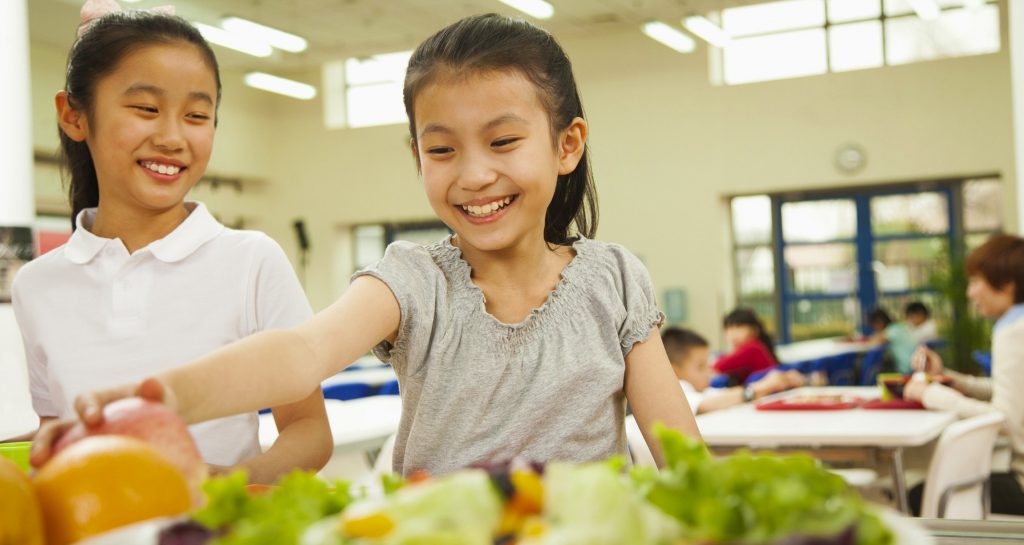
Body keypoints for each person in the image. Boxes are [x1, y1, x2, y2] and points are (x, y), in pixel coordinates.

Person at [32, 13, 700, 476]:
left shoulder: (614, 279)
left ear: (566, 145)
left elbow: (680, 454)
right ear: (417, 156)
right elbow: (300, 352)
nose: (474, 174)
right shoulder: (412, 279)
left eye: (502, 142)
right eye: (442, 149)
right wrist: (160, 396)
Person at [13, 1, 331, 484]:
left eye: (197, 115)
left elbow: (308, 428)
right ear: (74, 116)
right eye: (147, 109)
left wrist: (228, 487)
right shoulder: (37, 284)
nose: (172, 136)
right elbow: (56, 433)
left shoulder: (251, 261)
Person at [905, 234, 1024, 515]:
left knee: (918, 495)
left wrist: (931, 394)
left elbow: (1005, 420)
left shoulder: (1014, 332)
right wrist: (953, 379)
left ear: (1007, 284)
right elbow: (1014, 394)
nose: (970, 293)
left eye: (976, 282)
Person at [662, 327, 803, 414]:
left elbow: (726, 396)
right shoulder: (677, 390)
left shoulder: (702, 391)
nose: (708, 372)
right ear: (674, 371)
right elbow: (705, 405)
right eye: (700, 366)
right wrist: (763, 386)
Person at [711, 308, 779, 385]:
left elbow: (718, 367)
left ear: (754, 330)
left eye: (738, 327)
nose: (732, 333)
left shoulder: (752, 348)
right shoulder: (755, 346)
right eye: (728, 329)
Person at [866, 308, 918, 374]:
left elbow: (875, 341)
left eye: (874, 325)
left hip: (907, 368)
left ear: (879, 322)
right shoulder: (898, 327)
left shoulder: (892, 330)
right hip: (913, 365)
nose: (875, 328)